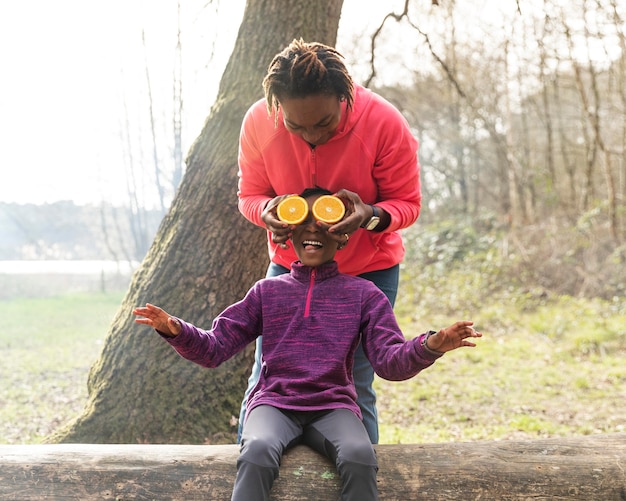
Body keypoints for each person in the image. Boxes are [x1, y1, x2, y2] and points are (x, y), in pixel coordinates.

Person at [133, 187, 482, 501]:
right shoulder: (266, 292)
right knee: (257, 450)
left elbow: (390, 362)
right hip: (275, 403)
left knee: (360, 456)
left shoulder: (364, 295)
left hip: (332, 406)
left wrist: (432, 344)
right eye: (304, 221)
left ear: (342, 236)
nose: (313, 228)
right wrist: (176, 329)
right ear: (289, 232)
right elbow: (215, 348)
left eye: (323, 221)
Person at [237, 38, 421, 443]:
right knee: (266, 379)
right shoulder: (257, 122)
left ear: (346, 96)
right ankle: (257, 470)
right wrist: (265, 212)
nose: (310, 137)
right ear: (277, 107)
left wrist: (371, 217)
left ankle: (358, 476)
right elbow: (249, 196)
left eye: (323, 124)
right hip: (289, 268)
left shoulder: (384, 122)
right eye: (294, 125)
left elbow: (407, 204)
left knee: (354, 383)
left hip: (369, 272)